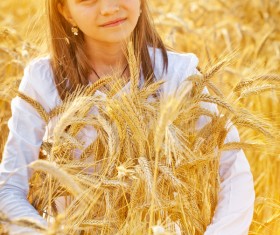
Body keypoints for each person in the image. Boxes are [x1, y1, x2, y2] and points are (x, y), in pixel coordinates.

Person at [0, 0, 255, 234]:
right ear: (66, 11)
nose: (109, 8)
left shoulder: (179, 74)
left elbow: (233, 171)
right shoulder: (43, 79)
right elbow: (9, 189)